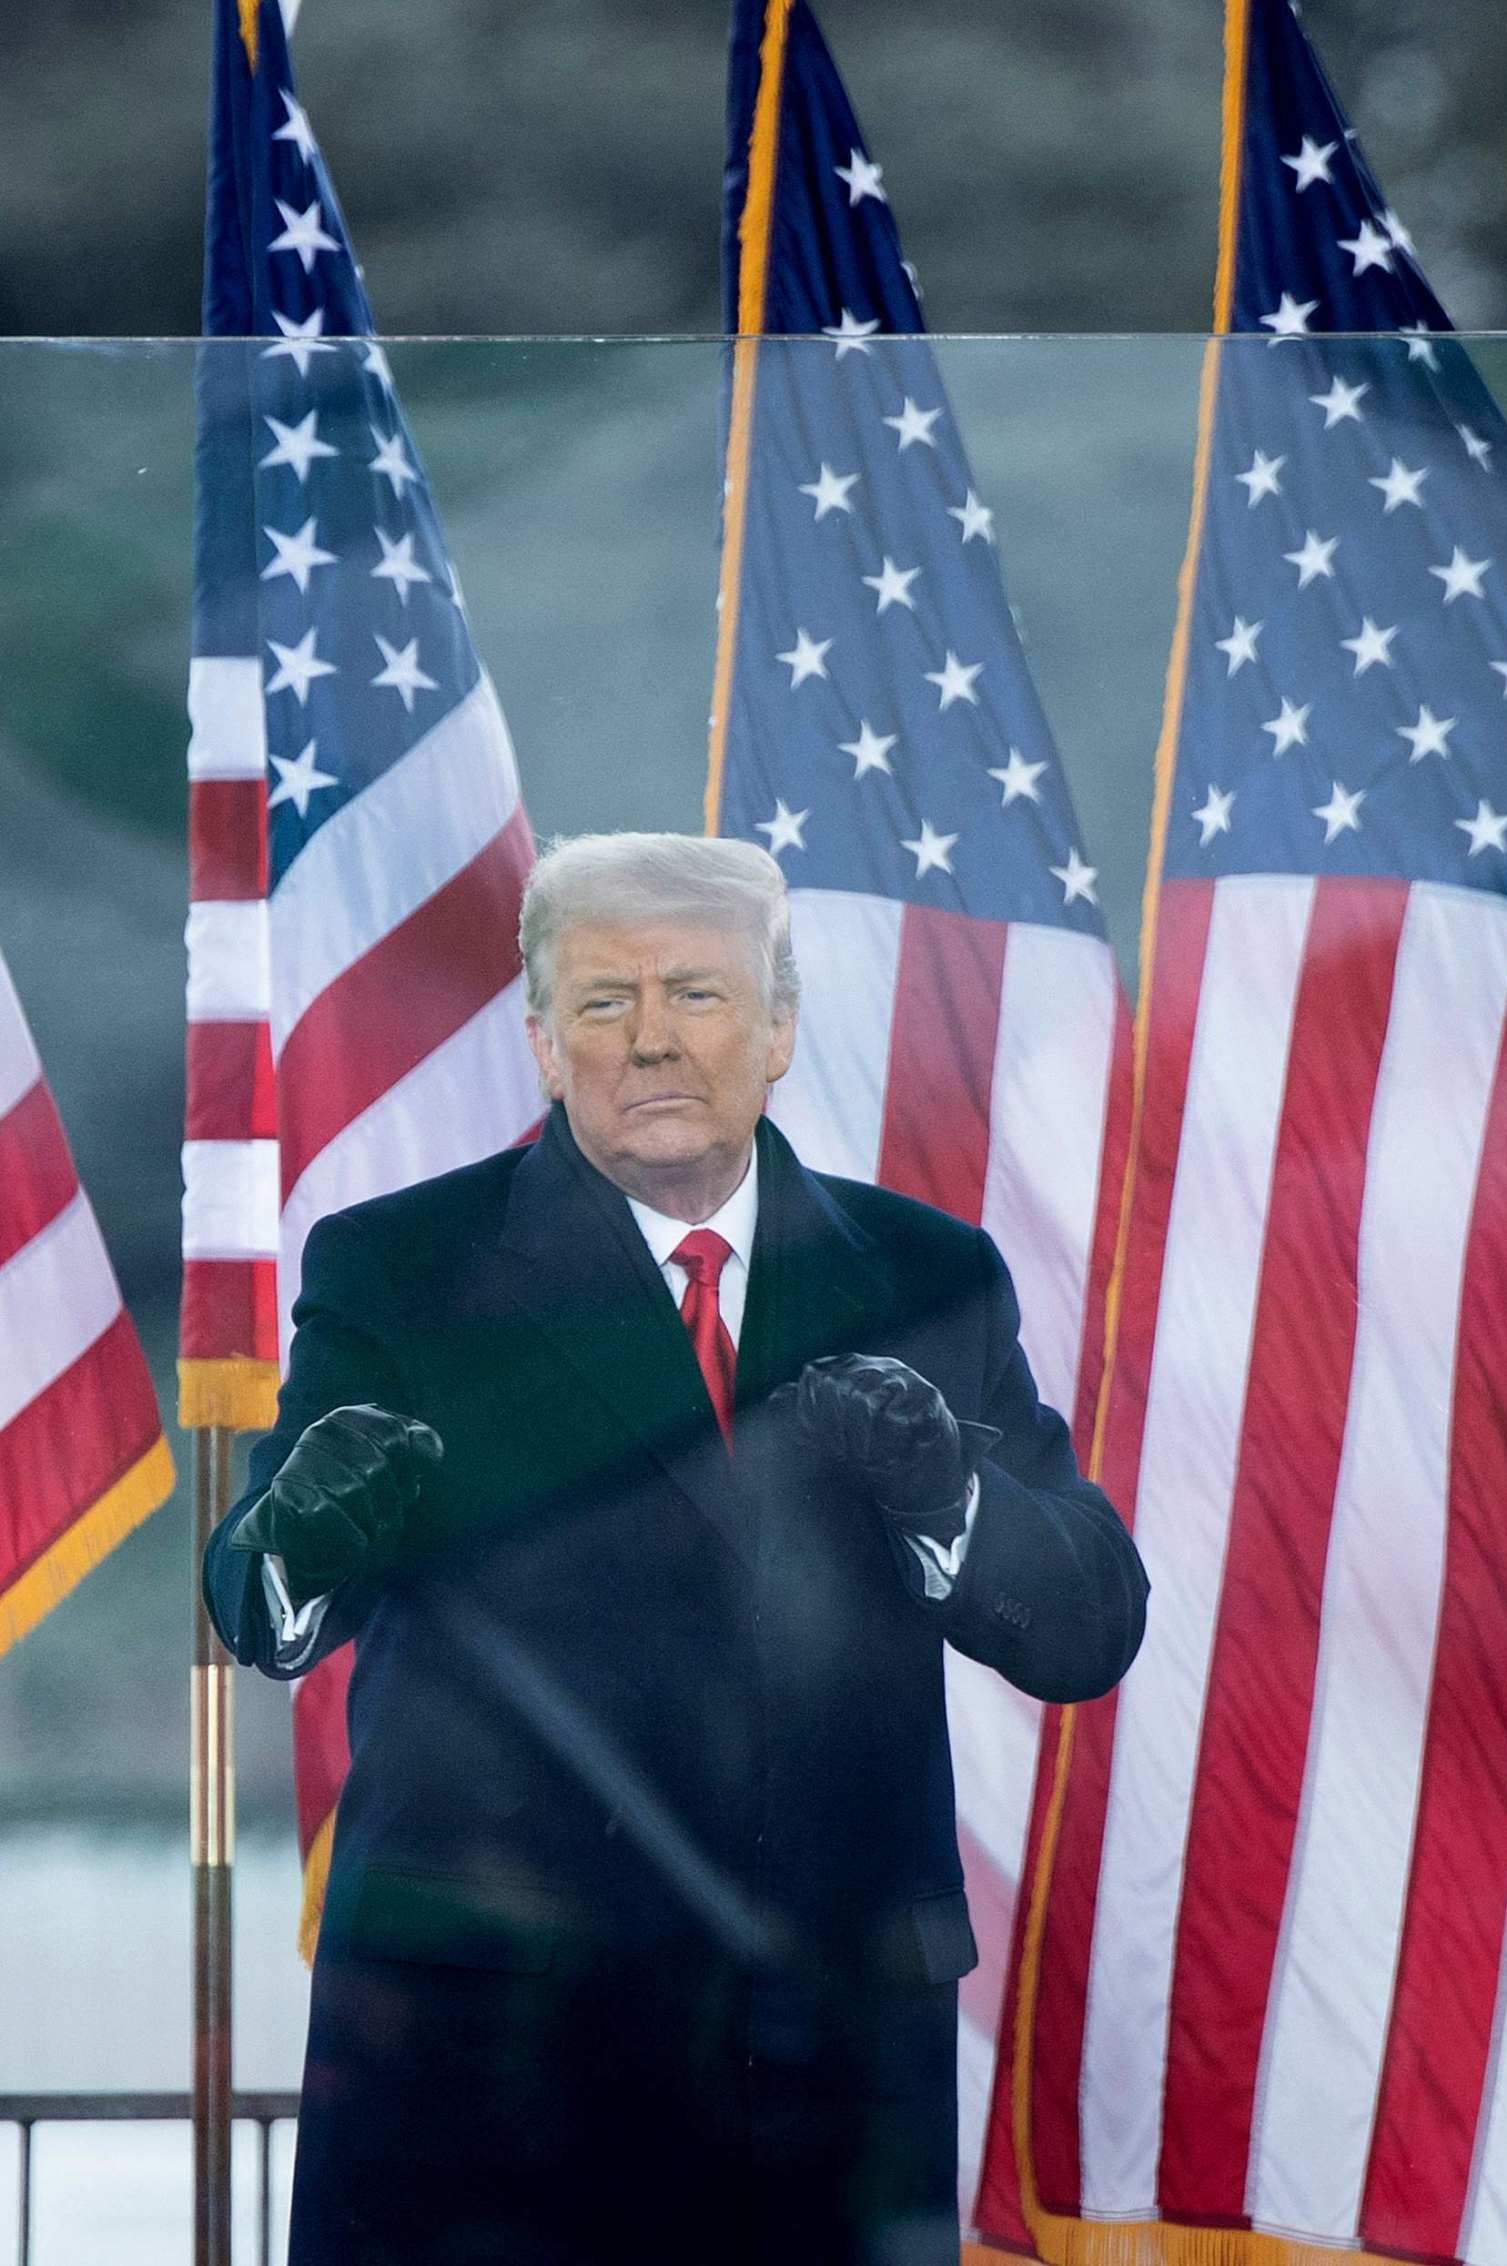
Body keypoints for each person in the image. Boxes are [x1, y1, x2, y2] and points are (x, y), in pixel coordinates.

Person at [204, 831, 1148, 2264]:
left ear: (777, 1029)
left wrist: (950, 1493)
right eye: (602, 1000)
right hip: (490, 2075)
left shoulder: (926, 1274)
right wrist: (301, 1534)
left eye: (697, 994)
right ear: (539, 1039)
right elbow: (261, 1602)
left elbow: (1088, 1623)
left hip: (825, 2073)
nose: (650, 1036)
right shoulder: (401, 1266)